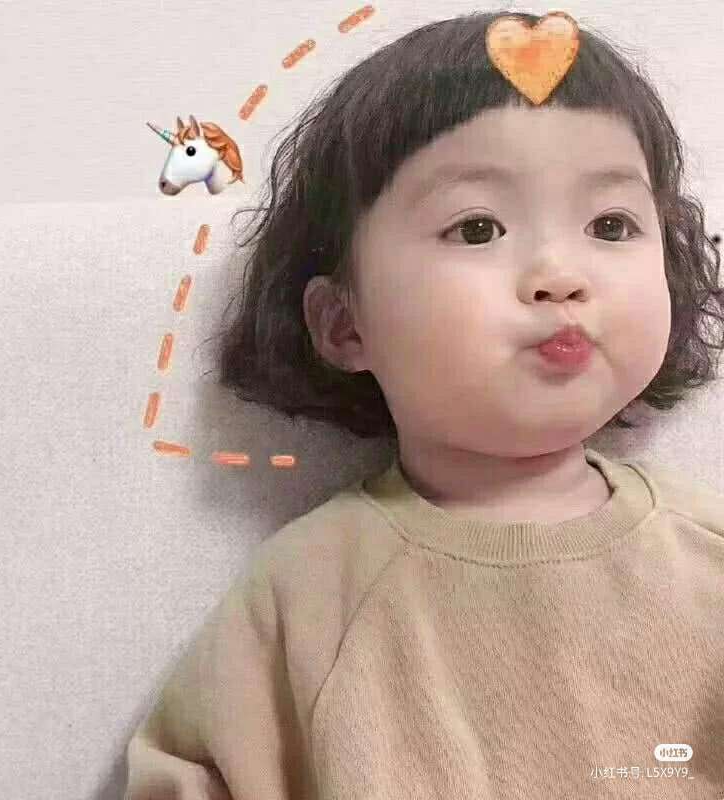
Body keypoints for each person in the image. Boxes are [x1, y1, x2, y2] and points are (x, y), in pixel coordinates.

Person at [124, 10, 724, 798]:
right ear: (345, 324)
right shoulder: (309, 596)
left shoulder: (708, 555)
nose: (560, 274)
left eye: (610, 225)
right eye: (477, 229)